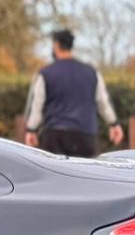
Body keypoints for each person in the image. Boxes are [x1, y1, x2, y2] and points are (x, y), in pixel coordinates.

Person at [24, 28, 123, 157]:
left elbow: (37, 106)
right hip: (85, 135)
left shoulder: (45, 73)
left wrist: (31, 130)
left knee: (55, 176)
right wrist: (113, 124)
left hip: (55, 135)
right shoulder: (92, 72)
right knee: (83, 175)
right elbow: (103, 102)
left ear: (56, 45)